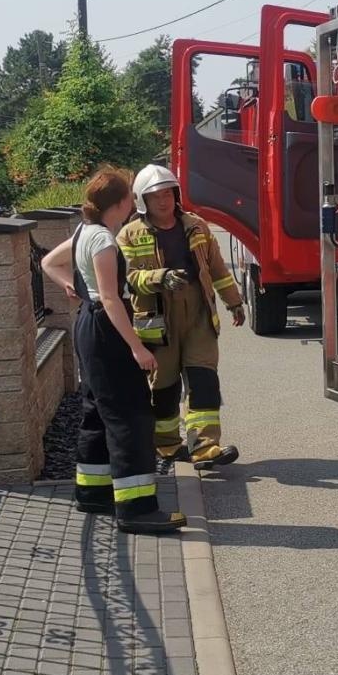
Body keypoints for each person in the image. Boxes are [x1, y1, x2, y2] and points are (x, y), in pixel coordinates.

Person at [39, 168, 185, 534]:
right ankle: (136, 510)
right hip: (106, 330)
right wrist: (137, 348)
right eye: (131, 197)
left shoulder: (83, 231)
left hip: (88, 326)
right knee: (130, 417)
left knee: (97, 411)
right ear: (122, 202)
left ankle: (93, 493)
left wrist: (73, 287)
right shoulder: (104, 240)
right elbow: (110, 298)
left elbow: (48, 263)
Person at [117, 164, 245, 470]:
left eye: (167, 194)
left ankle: (205, 447)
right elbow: (127, 278)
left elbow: (217, 269)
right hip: (158, 320)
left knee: (204, 380)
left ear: (176, 194)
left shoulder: (197, 227)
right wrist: (160, 277)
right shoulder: (129, 235)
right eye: (155, 196)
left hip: (199, 314)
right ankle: (168, 445)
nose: (163, 201)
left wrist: (234, 302)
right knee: (164, 387)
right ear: (142, 200)